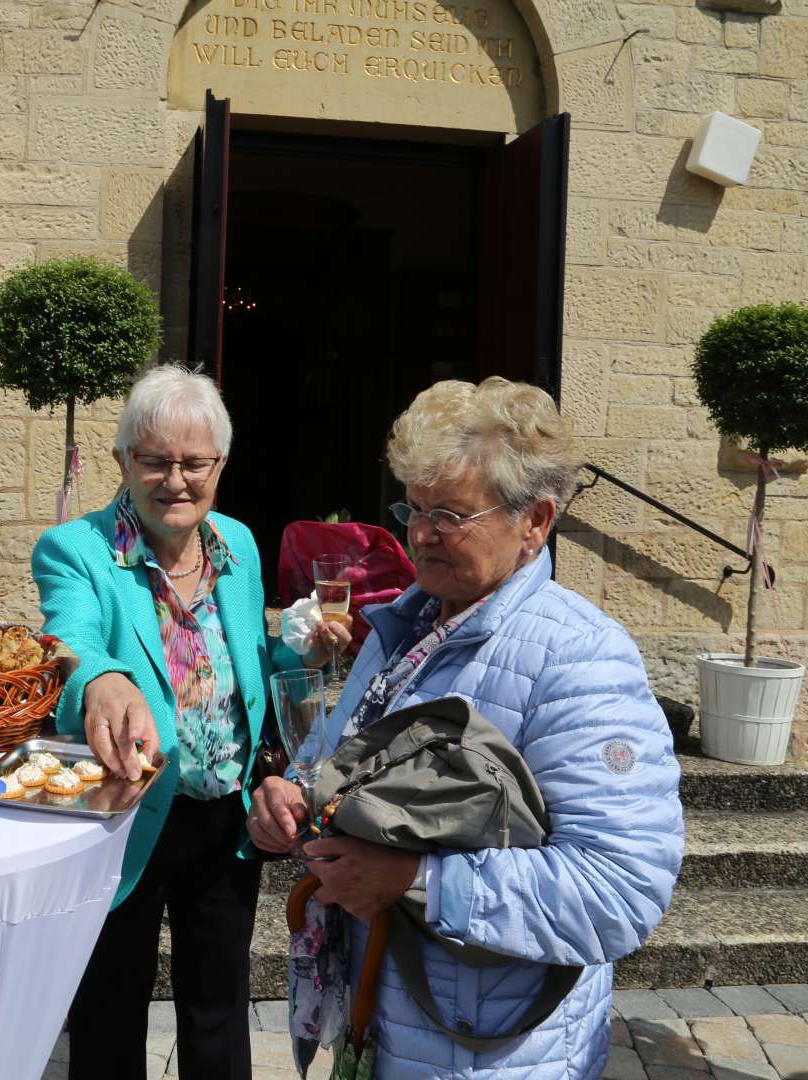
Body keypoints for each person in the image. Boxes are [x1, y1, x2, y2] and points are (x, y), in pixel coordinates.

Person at [248, 376, 684, 1079]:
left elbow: (620, 890)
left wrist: (415, 879)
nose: (420, 534)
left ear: (535, 521)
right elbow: (338, 765)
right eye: (413, 509)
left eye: (450, 515)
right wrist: (293, 797)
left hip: (495, 1056)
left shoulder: (580, 656)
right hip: (384, 1028)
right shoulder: (402, 627)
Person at [32, 364, 347, 1080]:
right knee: (109, 1006)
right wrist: (102, 677)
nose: (176, 481)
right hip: (125, 809)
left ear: (220, 465)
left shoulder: (236, 545)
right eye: (155, 461)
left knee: (219, 1007)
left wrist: (302, 650)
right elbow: (68, 640)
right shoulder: (75, 550)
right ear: (122, 461)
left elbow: (252, 669)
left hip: (224, 815)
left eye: (194, 463)